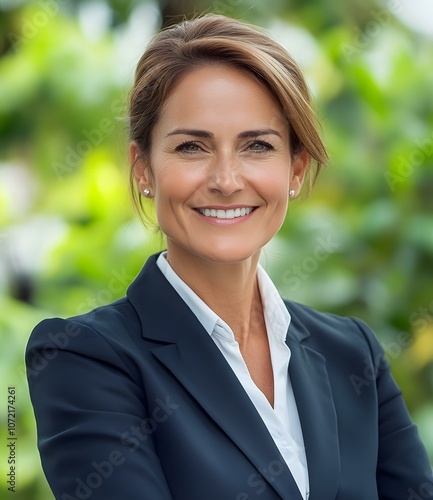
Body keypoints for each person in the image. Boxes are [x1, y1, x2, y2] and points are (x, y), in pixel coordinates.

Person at [26, 14, 432, 500]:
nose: (225, 179)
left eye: (257, 146)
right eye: (192, 147)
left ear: (295, 169)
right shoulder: (85, 359)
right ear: (143, 169)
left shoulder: (351, 352)